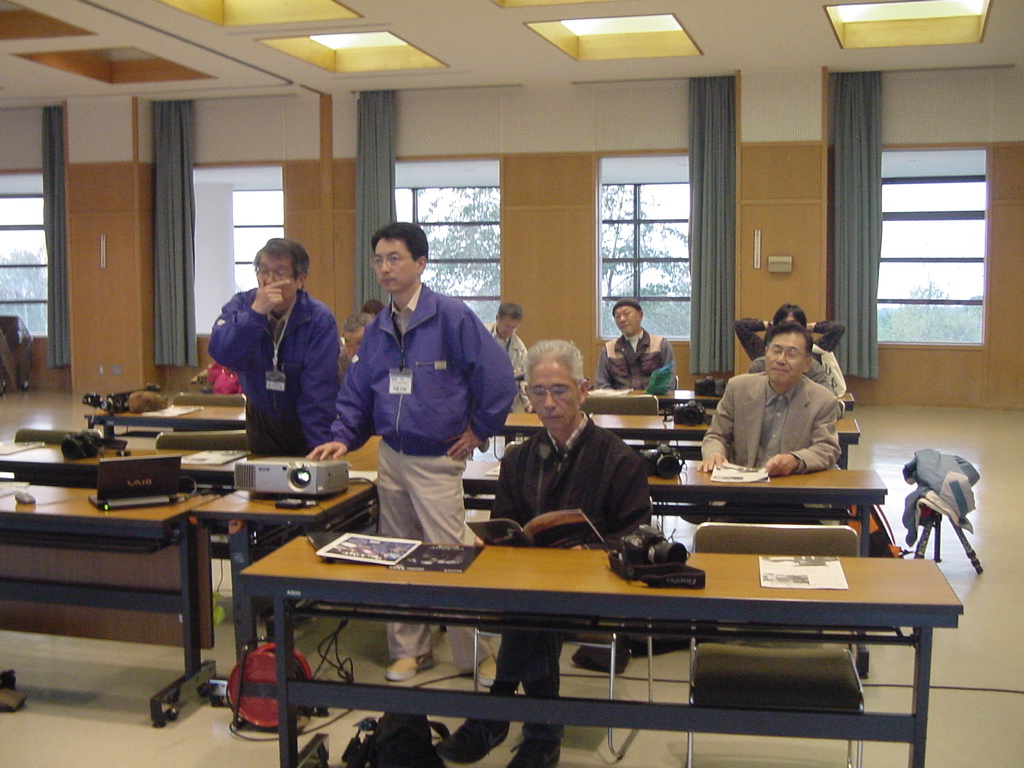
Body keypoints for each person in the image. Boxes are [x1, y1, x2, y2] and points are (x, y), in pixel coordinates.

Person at [308, 222, 516, 683]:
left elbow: (499, 376)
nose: (385, 268)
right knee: (397, 554)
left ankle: (475, 653)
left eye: (395, 258)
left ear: (421, 263)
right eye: (378, 260)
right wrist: (343, 434)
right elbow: (357, 390)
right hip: (392, 456)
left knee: (449, 556)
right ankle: (410, 650)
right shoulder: (378, 328)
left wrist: (479, 430)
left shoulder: (451, 317)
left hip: (436, 459)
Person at [436, 339, 651, 768]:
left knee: (533, 609)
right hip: (532, 589)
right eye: (538, 392)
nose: (548, 403)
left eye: (559, 390)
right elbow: (504, 524)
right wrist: (492, 541)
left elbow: (637, 537)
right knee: (533, 605)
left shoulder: (619, 459)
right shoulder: (519, 459)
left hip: (597, 588)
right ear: (527, 396)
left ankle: (500, 714)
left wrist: (591, 551)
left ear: (583, 391)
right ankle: (540, 732)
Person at [208, 237, 339, 456]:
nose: (269, 280)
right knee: (262, 475)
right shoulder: (242, 305)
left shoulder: (318, 318)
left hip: (304, 420)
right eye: (263, 271)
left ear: (300, 280)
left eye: (279, 273)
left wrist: (320, 444)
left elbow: (319, 388)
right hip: (261, 417)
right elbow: (224, 354)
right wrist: (255, 314)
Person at [699, 321, 842, 477]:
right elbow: (716, 435)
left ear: (808, 364)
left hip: (792, 484)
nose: (781, 360)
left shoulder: (823, 400)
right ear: (766, 353)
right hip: (742, 483)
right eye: (776, 351)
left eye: (791, 354)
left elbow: (826, 448)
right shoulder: (738, 388)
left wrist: (795, 460)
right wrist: (714, 453)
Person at [735, 304, 846, 395]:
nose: (781, 360)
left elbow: (838, 328)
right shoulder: (761, 358)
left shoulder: (813, 354)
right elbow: (740, 325)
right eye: (784, 325)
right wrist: (769, 325)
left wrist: (809, 328)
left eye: (794, 325)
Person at [594, 298, 675, 390]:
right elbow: (602, 384)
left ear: (640, 315)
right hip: (619, 398)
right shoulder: (608, 350)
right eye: (617, 316)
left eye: (626, 314)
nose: (622, 319)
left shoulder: (661, 345)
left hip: (654, 398)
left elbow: (669, 382)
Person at [486, 302, 529, 412]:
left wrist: (528, 405)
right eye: (506, 326)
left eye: (513, 327)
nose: (509, 331)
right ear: (497, 318)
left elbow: (525, 378)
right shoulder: (480, 334)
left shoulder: (520, 348)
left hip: (506, 399)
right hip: (483, 394)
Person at [338, 312, 372, 380]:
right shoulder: (338, 362)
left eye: (359, 343)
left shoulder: (386, 360)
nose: (352, 352)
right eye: (348, 344)